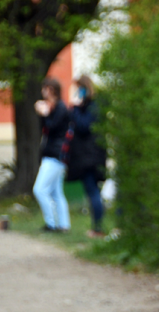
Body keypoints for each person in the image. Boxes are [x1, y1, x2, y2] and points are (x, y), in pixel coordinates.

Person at [66, 75, 108, 238]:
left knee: (93, 191)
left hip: (90, 157)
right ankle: (96, 226)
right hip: (88, 156)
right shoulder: (89, 106)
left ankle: (98, 228)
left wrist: (75, 108)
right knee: (92, 191)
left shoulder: (93, 106)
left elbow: (84, 126)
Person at [33, 78, 71, 232]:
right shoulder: (56, 108)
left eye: (45, 89)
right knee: (56, 192)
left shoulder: (60, 108)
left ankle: (52, 223)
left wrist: (44, 114)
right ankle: (63, 224)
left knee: (39, 189)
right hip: (54, 153)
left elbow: (51, 127)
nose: (43, 92)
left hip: (55, 154)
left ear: (52, 90)